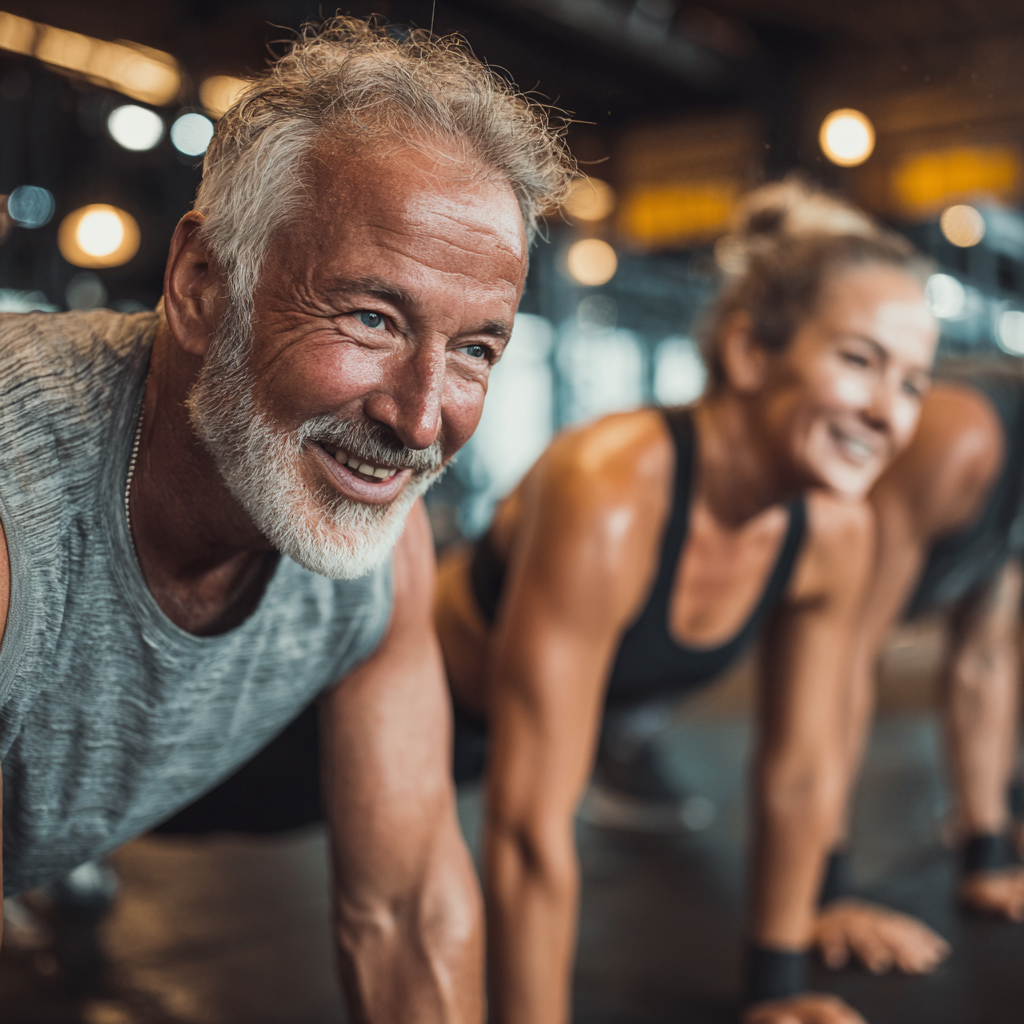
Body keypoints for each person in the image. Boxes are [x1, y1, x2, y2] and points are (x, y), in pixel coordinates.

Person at [0, 18, 572, 1023]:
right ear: (202, 286)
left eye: (477, 347)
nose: (421, 417)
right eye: (371, 318)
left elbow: (402, 914)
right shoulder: (19, 520)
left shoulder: (380, 550)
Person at [434, 181, 940, 1024]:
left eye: (915, 383)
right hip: (386, 704)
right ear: (747, 353)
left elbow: (800, 770)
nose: (889, 412)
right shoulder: (613, 489)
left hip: (557, 728)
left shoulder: (833, 533)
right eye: (859, 361)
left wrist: (780, 989)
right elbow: (527, 832)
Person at [820, 360, 1024, 968]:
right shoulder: (961, 437)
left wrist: (986, 857)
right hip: (667, 637)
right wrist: (819, 894)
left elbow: (983, 655)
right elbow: (842, 655)